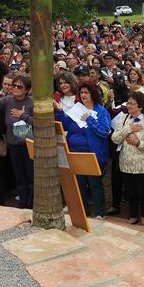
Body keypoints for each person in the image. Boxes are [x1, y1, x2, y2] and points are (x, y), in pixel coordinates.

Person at [55, 82, 111, 218]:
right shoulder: (77, 108)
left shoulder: (101, 111)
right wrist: (60, 112)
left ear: (93, 94)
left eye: (86, 92)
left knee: (94, 185)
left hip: (92, 154)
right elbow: (65, 125)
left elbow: (105, 131)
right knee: (79, 184)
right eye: (81, 93)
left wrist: (90, 119)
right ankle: (83, 211)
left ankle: (100, 213)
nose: (83, 95)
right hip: (75, 152)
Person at [0, 72, 34, 208]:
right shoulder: (8, 100)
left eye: (19, 86)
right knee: (19, 175)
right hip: (13, 145)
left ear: (27, 90)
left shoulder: (31, 103)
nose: (15, 88)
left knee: (30, 176)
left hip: (29, 145)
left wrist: (24, 116)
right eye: (14, 85)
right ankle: (23, 202)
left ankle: (32, 203)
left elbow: (39, 122)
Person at [111, 91, 144, 225]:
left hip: (143, 166)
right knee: (131, 193)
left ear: (140, 106)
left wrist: (138, 143)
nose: (129, 106)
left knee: (143, 193)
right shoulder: (124, 119)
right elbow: (115, 138)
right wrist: (128, 129)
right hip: (126, 164)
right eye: (128, 103)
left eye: (132, 104)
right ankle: (133, 216)